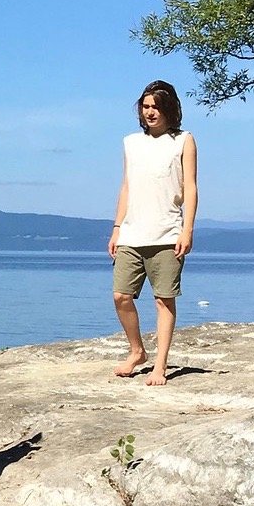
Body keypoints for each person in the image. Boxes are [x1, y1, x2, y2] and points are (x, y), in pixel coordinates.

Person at [108, 80, 198, 387]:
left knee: (164, 300)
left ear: (169, 108)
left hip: (167, 233)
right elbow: (126, 186)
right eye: (146, 107)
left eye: (156, 107)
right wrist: (117, 227)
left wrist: (187, 229)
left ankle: (160, 366)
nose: (150, 112)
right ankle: (137, 352)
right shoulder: (131, 143)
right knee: (121, 296)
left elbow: (191, 186)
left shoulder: (183, 140)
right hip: (132, 233)